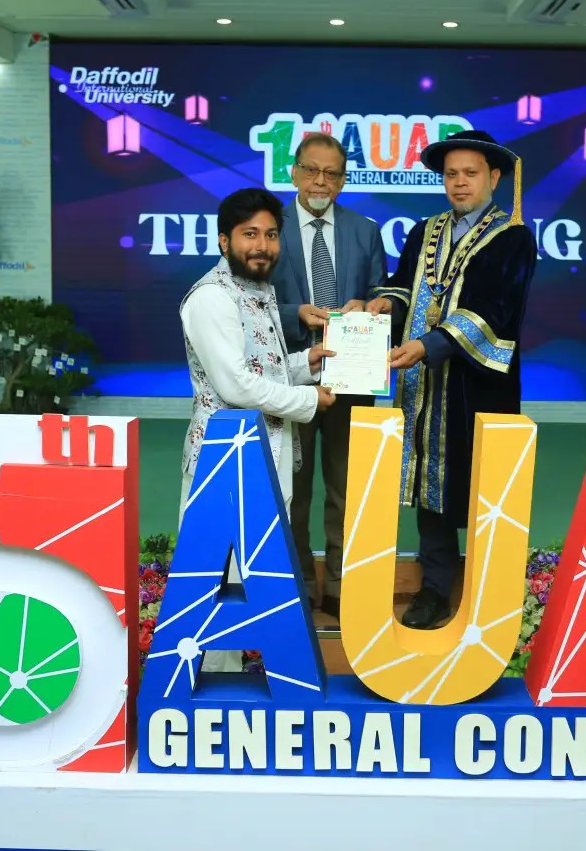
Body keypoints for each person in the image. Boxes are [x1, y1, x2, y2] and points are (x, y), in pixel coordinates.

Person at [364, 130, 537, 630]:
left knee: (483, 484)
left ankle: (490, 591)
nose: (459, 183)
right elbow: (405, 285)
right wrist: (387, 303)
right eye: (451, 174)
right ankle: (434, 587)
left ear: (494, 177)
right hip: (423, 386)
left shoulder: (513, 237)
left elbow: (498, 311)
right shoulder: (426, 231)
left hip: (477, 385)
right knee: (430, 486)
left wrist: (430, 345)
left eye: (471, 173)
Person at [179, 187, 337, 670]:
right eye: (249, 234)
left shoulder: (258, 290)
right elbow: (236, 386)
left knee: (250, 577)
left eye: (270, 235)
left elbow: (262, 368)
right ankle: (205, 688)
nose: (262, 246)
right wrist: (310, 400)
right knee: (217, 582)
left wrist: (307, 363)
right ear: (224, 240)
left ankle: (236, 679)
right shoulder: (212, 297)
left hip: (263, 455)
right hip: (223, 462)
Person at [270, 132, 388, 618]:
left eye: (332, 173)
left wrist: (374, 305)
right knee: (291, 489)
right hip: (289, 375)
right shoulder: (268, 228)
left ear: (343, 180)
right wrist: (297, 313)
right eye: (311, 170)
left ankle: (340, 585)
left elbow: (384, 294)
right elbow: (249, 302)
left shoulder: (365, 230)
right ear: (294, 172)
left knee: (346, 486)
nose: (321, 181)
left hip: (352, 377)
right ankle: (296, 586)